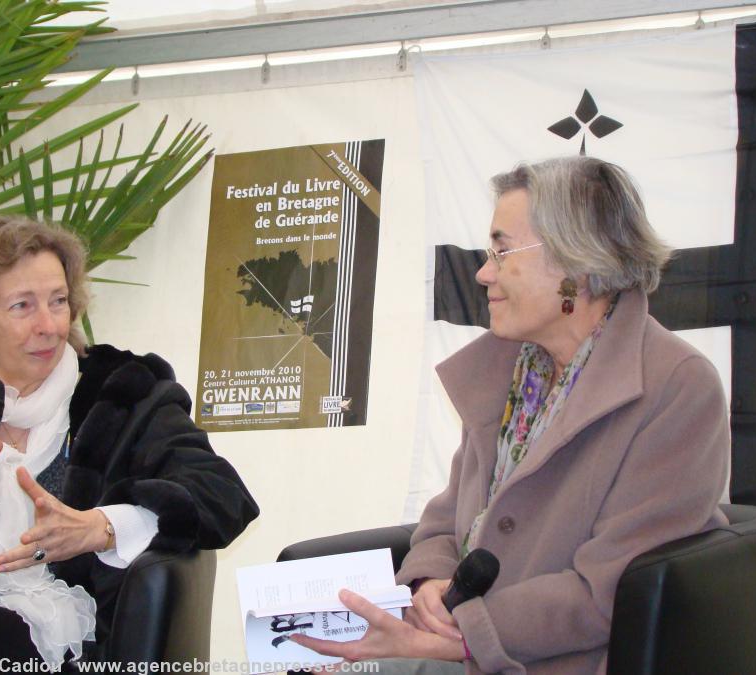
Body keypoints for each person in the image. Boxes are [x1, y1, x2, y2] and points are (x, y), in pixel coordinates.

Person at [292, 157, 730, 674]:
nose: (483, 272)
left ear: (575, 262)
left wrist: (458, 637)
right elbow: (446, 519)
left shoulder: (676, 385)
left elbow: (612, 589)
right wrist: (431, 583)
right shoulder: (508, 370)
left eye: (501, 251)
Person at [0, 215, 259, 665]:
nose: (50, 326)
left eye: (58, 301)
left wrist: (98, 528)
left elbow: (222, 494)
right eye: (22, 306)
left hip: (75, 646)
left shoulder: (125, 394)